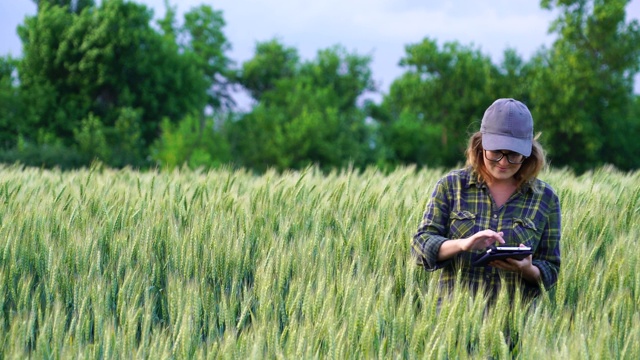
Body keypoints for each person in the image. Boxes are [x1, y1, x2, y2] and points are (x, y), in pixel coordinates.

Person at [411, 98, 561, 300]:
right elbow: (420, 247)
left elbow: (551, 268)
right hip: (453, 323)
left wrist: (528, 270)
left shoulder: (545, 198)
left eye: (513, 154)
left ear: (528, 153)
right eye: (496, 152)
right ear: (480, 145)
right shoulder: (451, 186)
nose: (503, 162)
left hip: (517, 327)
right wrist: (463, 244)